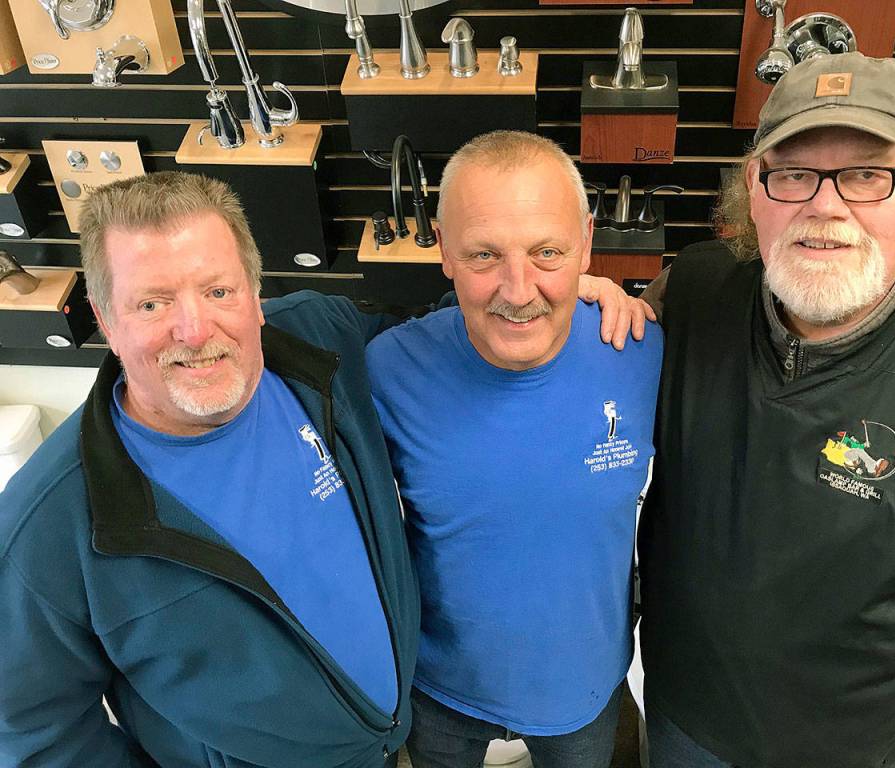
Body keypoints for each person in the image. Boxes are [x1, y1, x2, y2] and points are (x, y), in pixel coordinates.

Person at [0, 170, 646, 768]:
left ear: (255, 296)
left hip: (391, 738)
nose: (194, 330)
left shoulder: (319, 340)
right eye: (152, 304)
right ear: (105, 318)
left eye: (218, 291)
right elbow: (31, 733)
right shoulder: (47, 526)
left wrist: (560, 295)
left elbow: (452, 336)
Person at [638, 52, 895, 768]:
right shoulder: (687, 298)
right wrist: (578, 310)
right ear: (754, 186)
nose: (825, 206)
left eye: (867, 174)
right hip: (685, 724)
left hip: (862, 751)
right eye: (793, 174)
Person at [366, 130, 663, 768]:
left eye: (547, 252)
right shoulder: (388, 369)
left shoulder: (642, 351)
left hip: (584, 688)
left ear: (586, 242)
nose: (519, 289)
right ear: (443, 250)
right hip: (438, 689)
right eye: (484, 255)